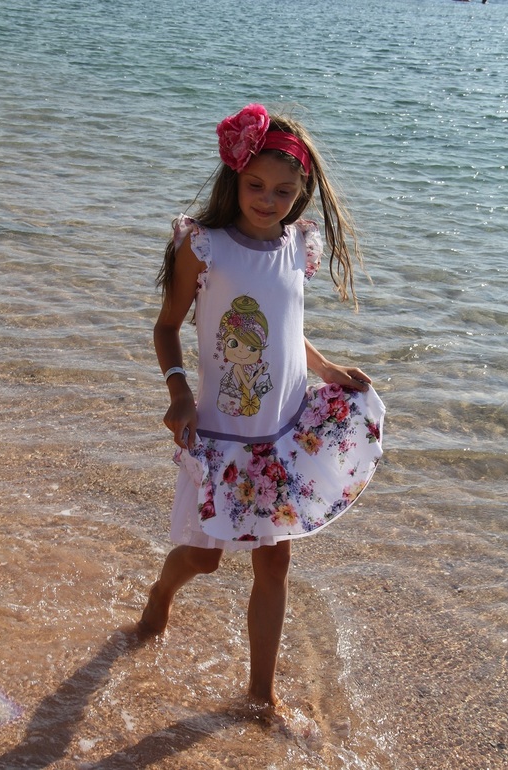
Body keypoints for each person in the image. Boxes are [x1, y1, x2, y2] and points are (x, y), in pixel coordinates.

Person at [138, 104, 385, 709]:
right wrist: (178, 393)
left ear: (302, 193)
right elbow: (167, 327)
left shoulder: (298, 247)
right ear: (236, 177)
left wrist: (327, 370)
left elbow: (284, 328)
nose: (268, 200)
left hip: (282, 434)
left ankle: (260, 696)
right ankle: (161, 593)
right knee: (205, 558)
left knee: (274, 568)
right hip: (222, 431)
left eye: (283, 191)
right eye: (256, 186)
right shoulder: (206, 246)